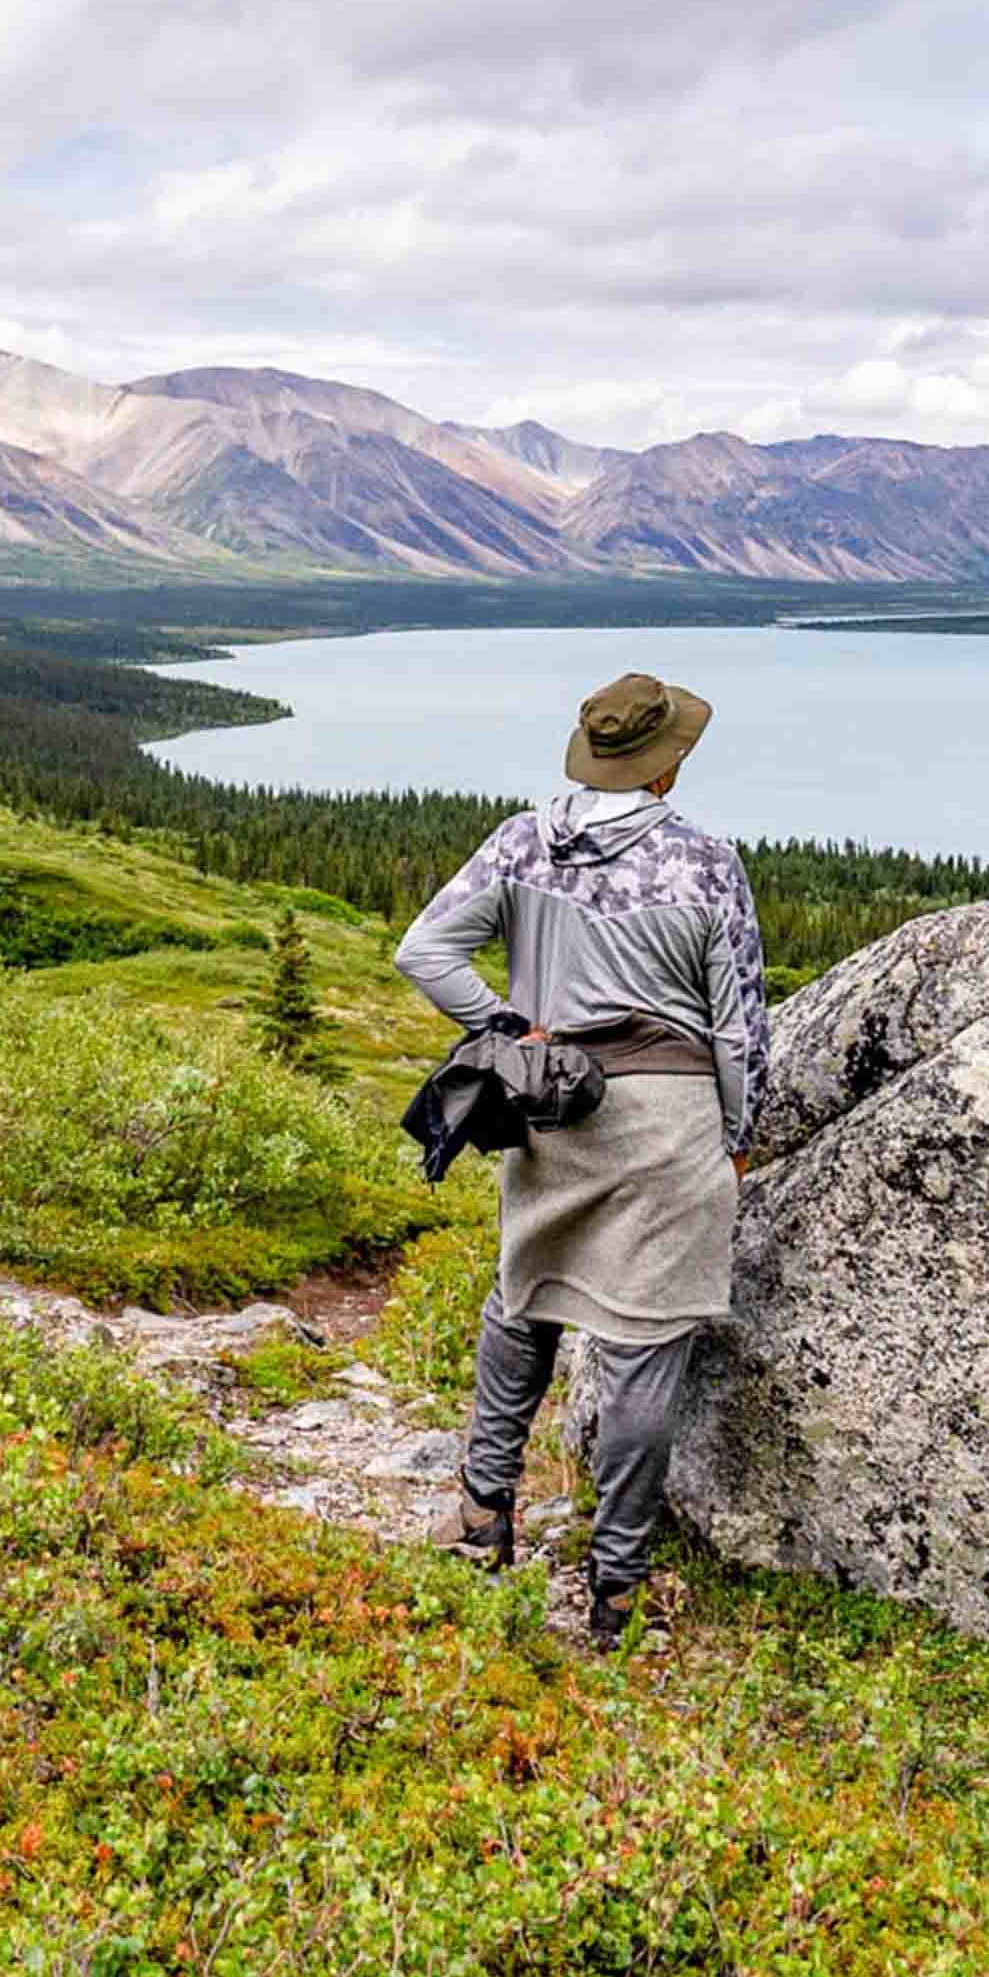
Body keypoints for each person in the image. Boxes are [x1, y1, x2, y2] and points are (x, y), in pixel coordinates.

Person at [395, 670, 767, 1646]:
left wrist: (510, 1032)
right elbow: (737, 1027)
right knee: (644, 1348)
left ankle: (482, 1515)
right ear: (666, 765)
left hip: (550, 1110)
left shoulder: (523, 842)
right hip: (668, 1131)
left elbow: (423, 952)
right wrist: (737, 1138)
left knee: (522, 1301)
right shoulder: (705, 864)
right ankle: (615, 1591)